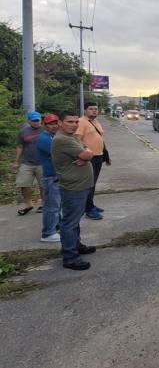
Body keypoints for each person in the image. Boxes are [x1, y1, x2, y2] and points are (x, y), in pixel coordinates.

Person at [52, 111, 97, 270]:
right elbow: (86, 153)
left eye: (76, 122)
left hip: (80, 186)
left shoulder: (71, 137)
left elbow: (86, 149)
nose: (74, 125)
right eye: (69, 122)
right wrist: (86, 155)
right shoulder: (63, 139)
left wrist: (86, 154)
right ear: (60, 123)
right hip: (73, 187)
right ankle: (70, 257)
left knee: (74, 220)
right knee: (69, 223)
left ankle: (76, 245)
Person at [75, 102, 111, 220]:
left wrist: (106, 155)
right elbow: (77, 140)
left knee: (93, 183)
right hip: (89, 158)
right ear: (85, 110)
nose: (94, 111)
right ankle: (88, 209)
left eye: (96, 109)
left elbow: (99, 138)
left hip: (98, 156)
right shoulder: (81, 122)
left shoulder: (95, 122)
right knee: (88, 184)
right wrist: (81, 156)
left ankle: (90, 205)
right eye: (91, 109)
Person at [12, 111, 44, 216]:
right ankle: (28, 204)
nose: (36, 122)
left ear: (40, 120)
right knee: (23, 184)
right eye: (33, 121)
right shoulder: (23, 132)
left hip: (43, 162)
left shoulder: (46, 130)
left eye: (37, 120)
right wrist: (16, 161)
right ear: (28, 121)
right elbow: (20, 146)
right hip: (27, 162)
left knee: (44, 185)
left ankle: (44, 204)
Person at [36, 114, 61, 243]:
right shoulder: (43, 138)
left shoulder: (52, 136)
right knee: (52, 207)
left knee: (56, 205)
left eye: (56, 123)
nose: (54, 126)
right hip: (50, 176)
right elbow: (59, 155)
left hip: (55, 176)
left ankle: (56, 227)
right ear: (45, 125)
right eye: (51, 124)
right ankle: (48, 233)